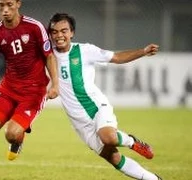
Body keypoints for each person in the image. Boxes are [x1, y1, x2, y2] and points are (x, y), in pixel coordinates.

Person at [48, 13, 162, 180]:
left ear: (72, 32)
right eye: (55, 32)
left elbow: (116, 57)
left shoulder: (85, 50)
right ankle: (154, 179)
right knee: (114, 158)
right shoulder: (47, 57)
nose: (59, 36)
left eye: (64, 31)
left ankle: (132, 142)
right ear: (50, 35)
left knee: (108, 137)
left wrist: (143, 51)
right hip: (80, 123)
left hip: (96, 107)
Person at [0, 0, 59, 179]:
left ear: (18, 4)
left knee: (12, 134)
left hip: (33, 91)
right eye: (1, 6)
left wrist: (55, 84)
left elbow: (50, 56)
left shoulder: (34, 27)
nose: (5, 10)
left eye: (9, 5)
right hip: (8, 88)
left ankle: (17, 140)